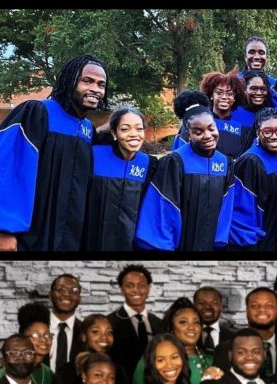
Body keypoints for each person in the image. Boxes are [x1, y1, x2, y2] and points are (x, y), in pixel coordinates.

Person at [0, 54, 108, 251]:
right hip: (24, 233)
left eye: (101, 84)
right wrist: (5, 231)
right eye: (87, 81)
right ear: (69, 81)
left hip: (60, 233)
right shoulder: (37, 113)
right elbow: (8, 170)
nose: (95, 89)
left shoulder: (87, 129)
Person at [135, 90, 233, 251]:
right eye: (198, 132)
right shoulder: (175, 162)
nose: (208, 135)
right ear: (188, 135)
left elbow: (226, 208)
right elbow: (163, 209)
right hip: (180, 244)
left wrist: (219, 241)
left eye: (211, 128)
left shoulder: (224, 162)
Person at [85, 107, 155, 251]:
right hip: (93, 238)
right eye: (125, 129)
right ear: (114, 133)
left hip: (129, 241)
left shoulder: (148, 164)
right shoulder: (93, 155)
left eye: (139, 129)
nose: (134, 134)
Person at [228, 107, 277, 251]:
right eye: (267, 131)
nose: (274, 136)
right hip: (256, 241)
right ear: (258, 133)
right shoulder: (251, 162)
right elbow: (243, 211)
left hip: (273, 233)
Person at [132, 297, 221, 384]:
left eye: (196, 322)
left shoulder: (211, 357)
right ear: (171, 327)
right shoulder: (153, 358)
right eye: (183, 322)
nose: (192, 327)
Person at [53, 314, 131, 384]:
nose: (104, 337)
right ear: (84, 336)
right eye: (95, 332)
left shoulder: (119, 372)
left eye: (109, 333)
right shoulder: (67, 371)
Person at [172, 70, 248, 161]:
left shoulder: (241, 128)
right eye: (219, 92)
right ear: (211, 95)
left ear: (234, 98)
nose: (224, 97)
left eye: (229, 93)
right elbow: (179, 155)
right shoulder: (195, 122)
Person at [107, 264, 163, 380]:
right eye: (130, 286)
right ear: (122, 290)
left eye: (141, 285)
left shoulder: (160, 324)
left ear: (148, 288)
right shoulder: (109, 323)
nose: (136, 290)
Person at [10, 302, 55, 384]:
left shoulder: (48, 374)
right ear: (22, 338)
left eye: (47, 335)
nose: (43, 340)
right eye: (35, 335)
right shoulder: (11, 370)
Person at [48, 274, 83, 373]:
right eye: (61, 289)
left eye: (74, 291)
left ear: (79, 299)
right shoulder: (34, 327)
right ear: (50, 295)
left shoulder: (86, 331)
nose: (67, 294)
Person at [233, 70, 275, 151]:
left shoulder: (272, 115)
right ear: (245, 89)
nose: (259, 93)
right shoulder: (233, 113)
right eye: (253, 89)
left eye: (263, 89)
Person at [239, 36, 277, 106]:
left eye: (261, 53)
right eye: (251, 52)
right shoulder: (234, 81)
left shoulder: (274, 84)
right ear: (245, 57)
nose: (256, 57)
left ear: (266, 57)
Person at [193, 286, 237, 353]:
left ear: (221, 306)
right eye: (201, 303)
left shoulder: (235, 336)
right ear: (194, 307)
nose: (207, 307)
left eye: (214, 303)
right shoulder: (185, 335)